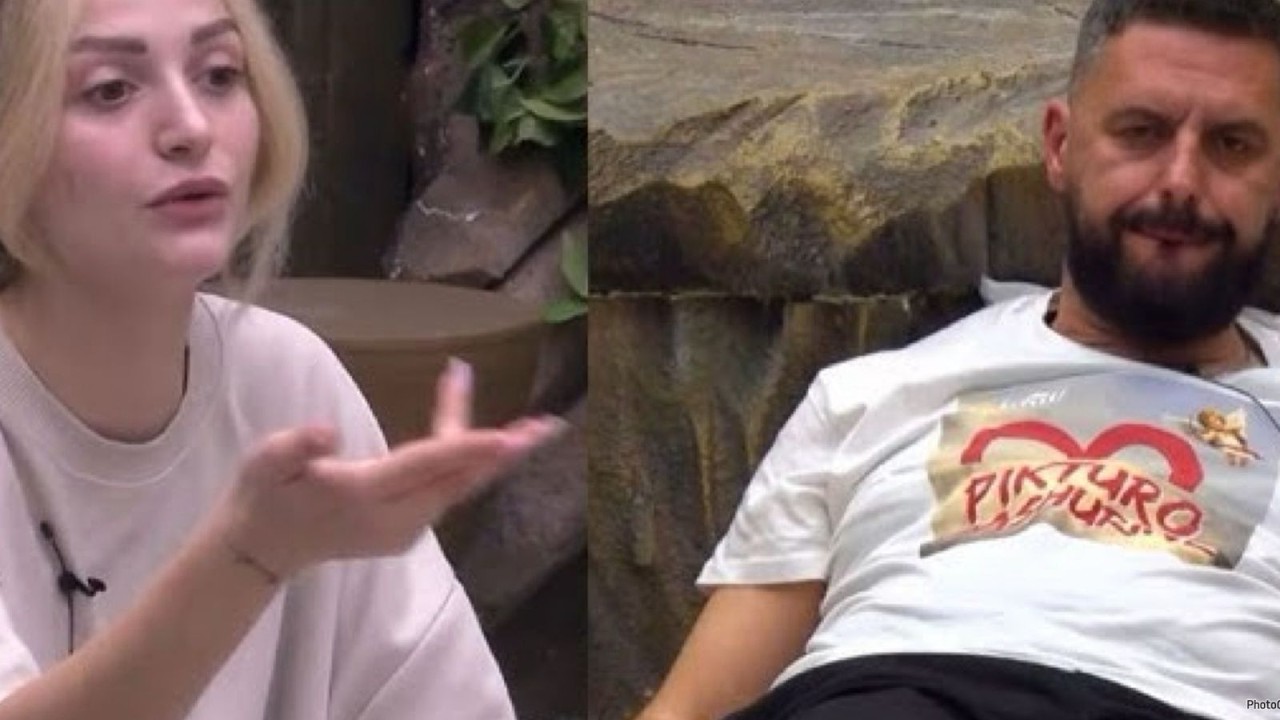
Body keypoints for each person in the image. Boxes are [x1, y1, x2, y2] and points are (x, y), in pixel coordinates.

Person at [637, 1, 1280, 719]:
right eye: (1141, 133)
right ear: (1060, 146)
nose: (1181, 181)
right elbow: (690, 708)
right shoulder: (872, 394)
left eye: (1232, 145)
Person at [0, 0, 562, 718]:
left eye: (218, 74)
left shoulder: (287, 376)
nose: (191, 128)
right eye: (110, 90)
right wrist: (251, 554)